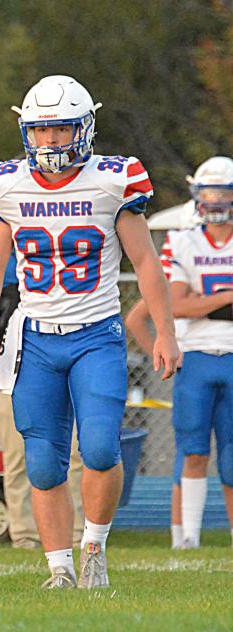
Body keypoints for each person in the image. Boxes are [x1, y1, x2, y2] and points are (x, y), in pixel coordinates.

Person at [0, 75, 178, 589]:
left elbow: (145, 260)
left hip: (96, 334)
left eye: (62, 129)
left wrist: (165, 332)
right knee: (42, 463)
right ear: (26, 133)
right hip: (35, 337)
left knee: (102, 449)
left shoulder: (113, 178)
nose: (52, 141)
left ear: (84, 128)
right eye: (41, 130)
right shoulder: (7, 183)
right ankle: (59, 569)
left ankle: (94, 548)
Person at [0, 216, 85, 549]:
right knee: (19, 448)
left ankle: (78, 532)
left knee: (79, 448)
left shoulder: (72, 219)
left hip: (71, 349)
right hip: (13, 353)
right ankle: (25, 533)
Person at [162, 156, 233, 548]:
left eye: (223, 192)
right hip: (196, 356)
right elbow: (176, 305)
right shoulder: (182, 239)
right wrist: (225, 298)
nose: (216, 201)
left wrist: (201, 299)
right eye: (209, 193)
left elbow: (191, 301)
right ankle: (186, 538)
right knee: (192, 450)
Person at [124, 198, 201, 549]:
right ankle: (181, 535)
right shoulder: (179, 265)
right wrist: (160, 350)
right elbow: (139, 318)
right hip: (191, 364)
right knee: (189, 451)